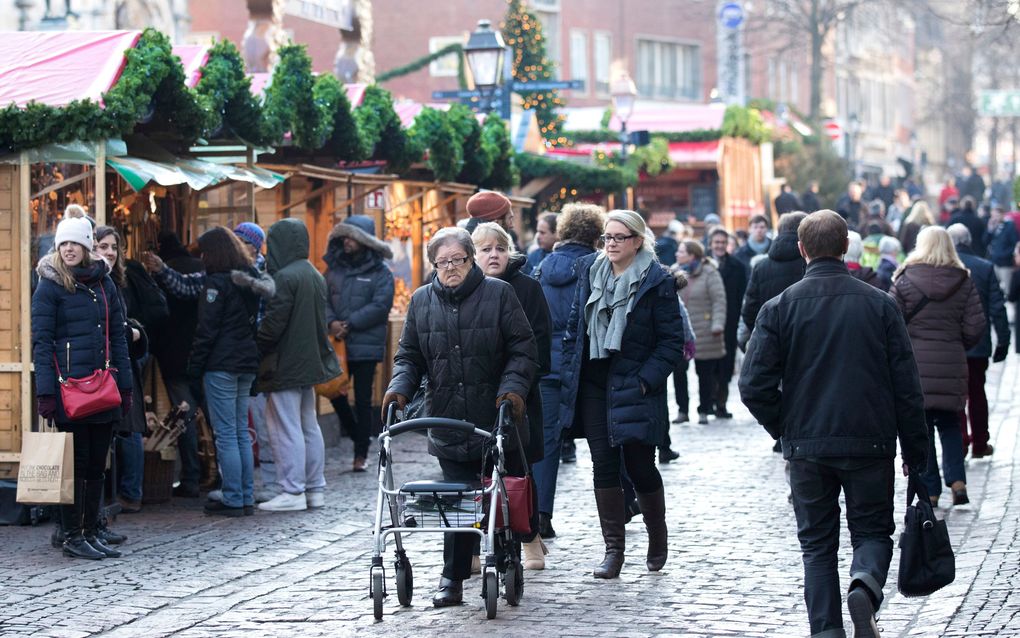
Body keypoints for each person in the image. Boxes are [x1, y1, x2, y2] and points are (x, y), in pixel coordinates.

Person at [739, 210, 929, 638]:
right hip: (869, 442)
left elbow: (752, 385)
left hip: (808, 447)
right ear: (846, 247)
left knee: (817, 547)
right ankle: (864, 583)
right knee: (873, 532)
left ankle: (826, 631)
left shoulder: (778, 308)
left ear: (802, 249)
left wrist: (785, 426)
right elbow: (907, 386)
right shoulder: (881, 304)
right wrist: (917, 455)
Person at [383, 226, 538, 606]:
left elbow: (523, 348)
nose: (450, 267)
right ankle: (451, 579)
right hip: (448, 421)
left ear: (471, 259)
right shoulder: (422, 301)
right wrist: (399, 389)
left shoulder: (499, 294)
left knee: (497, 498)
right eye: (442, 262)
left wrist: (512, 391)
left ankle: (505, 560)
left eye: (458, 260)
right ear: (433, 264)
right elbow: (409, 357)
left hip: (496, 417)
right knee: (456, 504)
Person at [559, 210, 683, 579]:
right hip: (595, 383)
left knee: (640, 464)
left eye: (618, 237)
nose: (610, 244)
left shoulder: (657, 282)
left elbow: (671, 343)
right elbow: (574, 329)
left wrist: (646, 381)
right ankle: (613, 550)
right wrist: (570, 371)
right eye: (606, 238)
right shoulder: (588, 273)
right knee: (604, 464)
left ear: (637, 242)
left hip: (635, 383)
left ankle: (657, 536)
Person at [32, 217, 133, 560]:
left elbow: (117, 338)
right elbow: (42, 343)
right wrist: (45, 392)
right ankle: (72, 535)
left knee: (95, 465)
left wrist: (126, 385)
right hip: (68, 390)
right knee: (74, 464)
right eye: (64, 244)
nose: (69, 248)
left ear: (88, 246)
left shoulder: (105, 284)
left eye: (75, 243)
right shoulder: (49, 285)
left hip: (103, 387)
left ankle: (90, 530)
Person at [471, 222, 551, 568]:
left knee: (518, 469)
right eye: (485, 249)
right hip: (472, 397)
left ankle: (529, 537)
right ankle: (473, 543)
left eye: (500, 248)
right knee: (474, 471)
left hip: (518, 397)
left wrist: (516, 383)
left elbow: (539, 347)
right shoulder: (461, 288)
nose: (493, 255)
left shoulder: (528, 289)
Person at [890, 226, 985, 507]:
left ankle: (930, 490)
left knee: (923, 428)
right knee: (951, 423)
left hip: (915, 366)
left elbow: (892, 322)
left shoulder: (904, 279)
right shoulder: (963, 280)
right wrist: (958, 343)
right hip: (952, 360)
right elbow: (976, 325)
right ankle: (957, 480)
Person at [256, 218, 342, 512]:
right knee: (308, 425)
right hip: (308, 362)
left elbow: (273, 326)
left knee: (284, 427)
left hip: (285, 363)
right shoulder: (312, 273)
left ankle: (291, 491)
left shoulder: (285, 277)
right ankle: (314, 488)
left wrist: (254, 340)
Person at [531, 203, 605, 540]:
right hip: (586, 363)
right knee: (603, 439)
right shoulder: (597, 266)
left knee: (545, 443)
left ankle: (540, 515)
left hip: (548, 364)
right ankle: (625, 506)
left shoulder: (544, 266)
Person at [187, 227, 268, 516]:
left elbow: (206, 331)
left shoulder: (215, 284)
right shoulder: (247, 281)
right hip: (245, 362)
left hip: (221, 365)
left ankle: (233, 497)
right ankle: (245, 495)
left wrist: (194, 369)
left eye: (205, 253)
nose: (203, 258)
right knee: (240, 433)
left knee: (226, 434)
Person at [323, 215, 395, 473]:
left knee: (363, 400)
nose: (346, 241)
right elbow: (323, 300)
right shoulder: (333, 269)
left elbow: (380, 305)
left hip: (365, 345)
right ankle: (357, 435)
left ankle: (360, 454)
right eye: (344, 236)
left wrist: (349, 324)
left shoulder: (381, 272)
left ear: (364, 240)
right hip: (338, 345)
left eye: (351, 236)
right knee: (333, 391)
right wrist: (332, 323)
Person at [94, 227, 152, 515]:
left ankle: (130, 493)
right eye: (103, 246)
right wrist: (133, 332)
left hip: (120, 367)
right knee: (120, 432)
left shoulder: (115, 282)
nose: (110, 252)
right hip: (105, 369)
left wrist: (135, 332)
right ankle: (119, 495)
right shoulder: (99, 283)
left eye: (114, 247)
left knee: (128, 430)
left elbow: (118, 325)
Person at [148, 231, 205, 499]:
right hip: (204, 356)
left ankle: (191, 477)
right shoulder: (201, 270)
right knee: (218, 421)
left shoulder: (162, 274)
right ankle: (220, 477)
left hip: (173, 357)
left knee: (185, 419)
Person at [947, 224, 1009, 458]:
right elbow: (997, 308)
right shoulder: (985, 267)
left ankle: (961, 441)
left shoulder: (945, 268)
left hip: (951, 343)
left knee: (956, 396)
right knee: (977, 392)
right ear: (969, 240)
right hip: (978, 343)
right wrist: (1003, 341)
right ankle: (980, 442)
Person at [676, 239, 726, 425]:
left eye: (681, 251)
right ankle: (683, 410)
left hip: (705, 330)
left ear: (692, 255)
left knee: (704, 373)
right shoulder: (676, 272)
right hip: (680, 331)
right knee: (679, 371)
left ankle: (704, 409)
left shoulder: (709, 273)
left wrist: (717, 324)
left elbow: (719, 300)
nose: (677, 254)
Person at [741, 212, 808, 334]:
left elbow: (749, 310)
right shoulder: (811, 263)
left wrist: (765, 334)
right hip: (806, 339)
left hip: (771, 340)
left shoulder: (760, 267)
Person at [708, 227, 747, 419]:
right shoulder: (703, 264)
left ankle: (721, 403)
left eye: (723, 242)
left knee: (726, 365)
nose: (720, 246)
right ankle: (708, 402)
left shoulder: (737, 267)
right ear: (711, 244)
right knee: (708, 365)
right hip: (707, 322)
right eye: (716, 242)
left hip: (730, 322)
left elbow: (742, 295)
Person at [984, 205, 1018, 293]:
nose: (995, 218)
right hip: (993, 262)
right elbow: (984, 241)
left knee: (1007, 289)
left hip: (1005, 263)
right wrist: (989, 230)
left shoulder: (1010, 226)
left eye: (997, 216)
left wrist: (1004, 254)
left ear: (1002, 215)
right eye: (993, 216)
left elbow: (1015, 244)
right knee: (993, 289)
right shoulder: (992, 226)